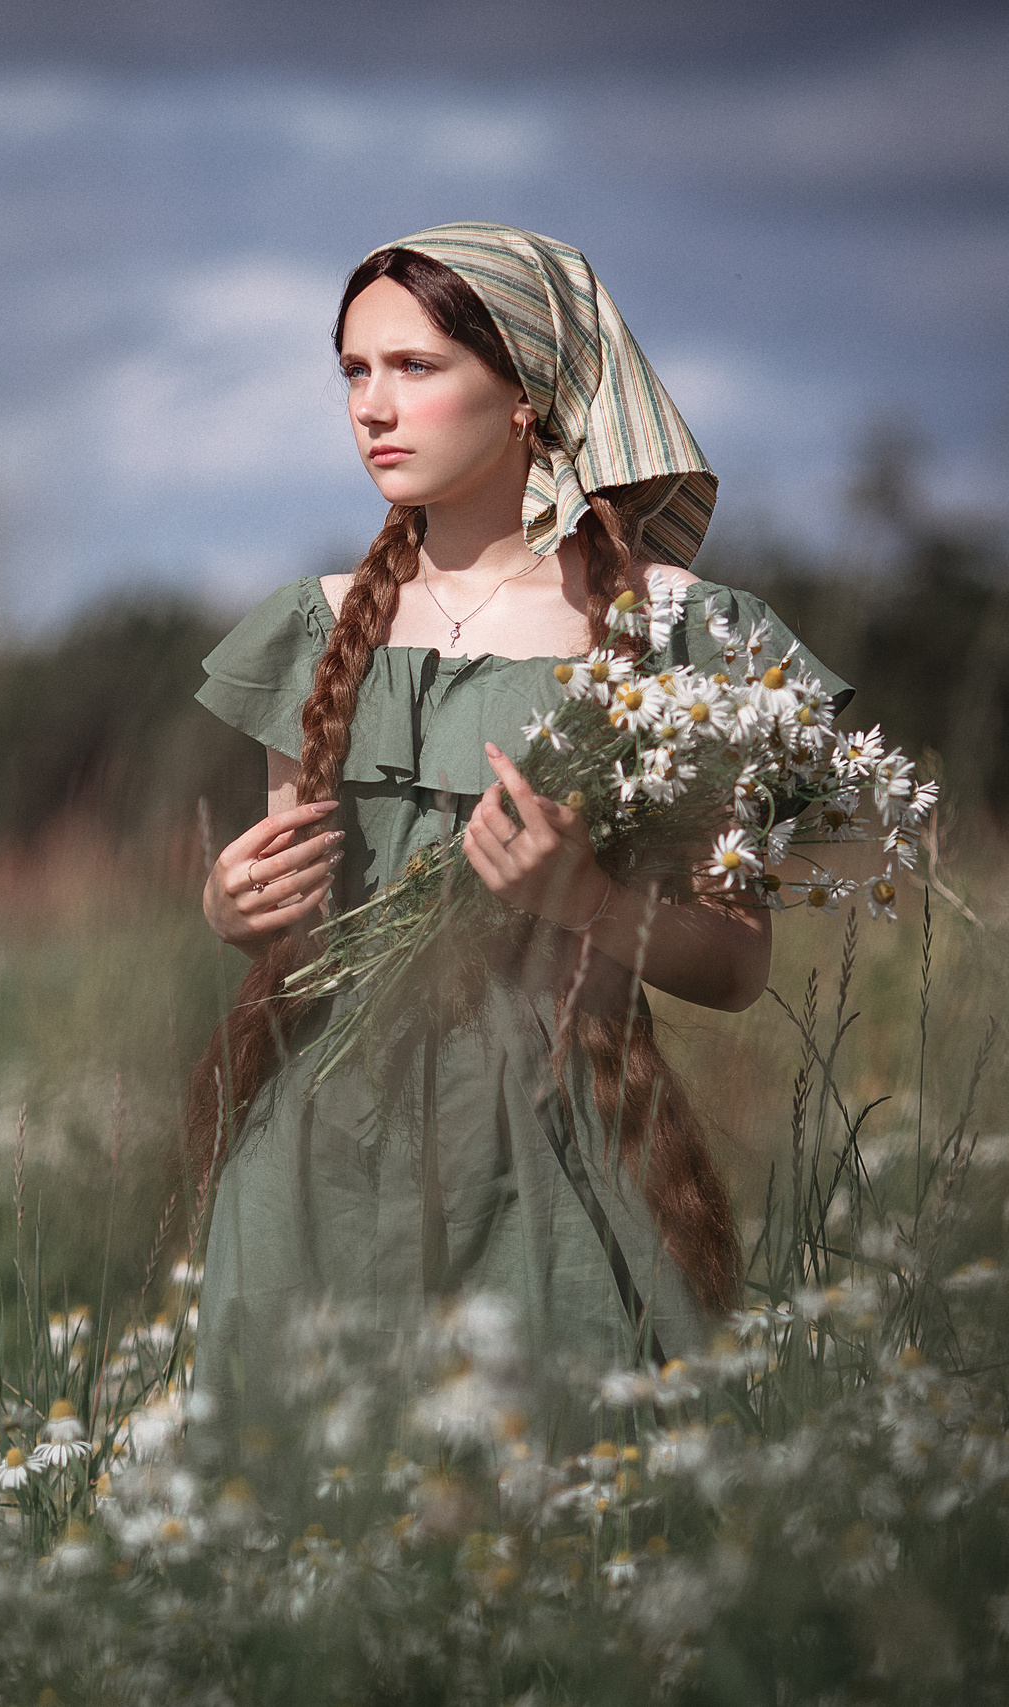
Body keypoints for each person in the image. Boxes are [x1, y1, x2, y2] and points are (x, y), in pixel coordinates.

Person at [185, 223, 851, 1447]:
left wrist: (583, 897)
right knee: (307, 1563)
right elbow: (307, 937)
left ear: (529, 397)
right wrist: (234, 916)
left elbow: (738, 964)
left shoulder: (685, 634)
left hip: (555, 1150)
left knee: (571, 1540)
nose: (372, 408)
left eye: (416, 367)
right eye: (352, 371)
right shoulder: (313, 624)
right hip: (319, 1161)